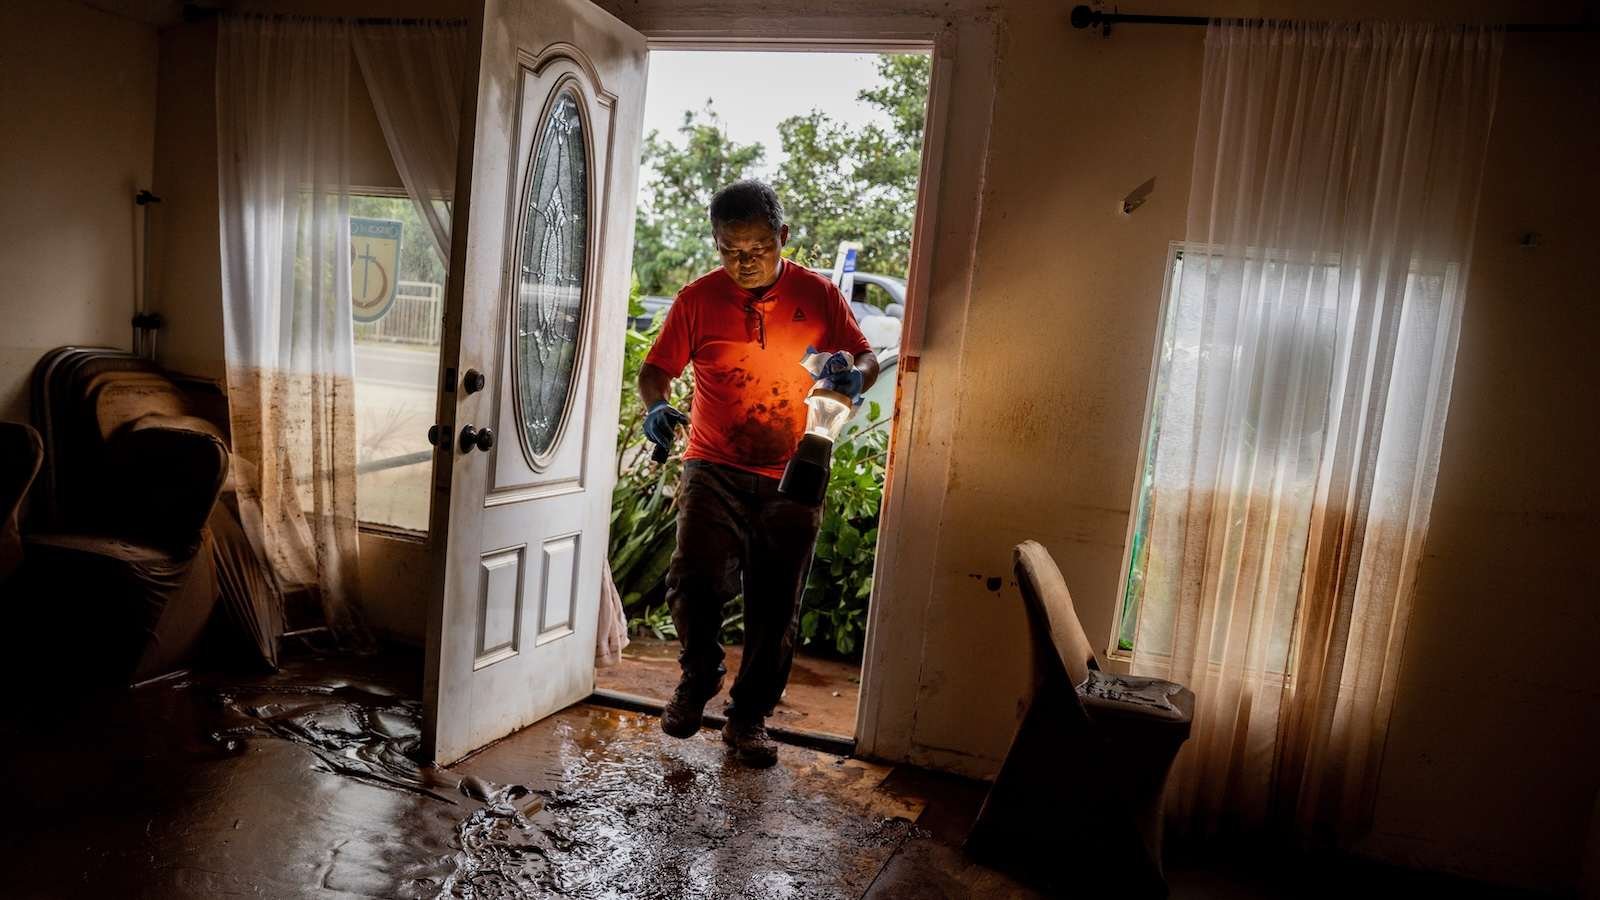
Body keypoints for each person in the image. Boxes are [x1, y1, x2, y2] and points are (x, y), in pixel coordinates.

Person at [638, 180, 878, 767]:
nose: (743, 263)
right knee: (692, 583)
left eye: (758, 248)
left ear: (783, 238)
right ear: (716, 245)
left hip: (796, 468)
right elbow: (656, 369)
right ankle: (699, 678)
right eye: (729, 250)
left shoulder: (817, 294)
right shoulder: (698, 299)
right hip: (712, 465)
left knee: (776, 605)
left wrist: (856, 377)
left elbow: (866, 356)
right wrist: (655, 407)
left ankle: (748, 718)